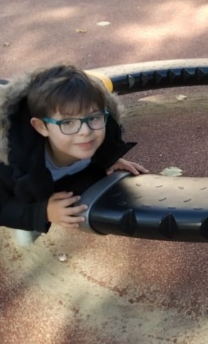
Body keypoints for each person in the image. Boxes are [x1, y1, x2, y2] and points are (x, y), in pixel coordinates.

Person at [0, 64, 149, 233]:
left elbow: (105, 147)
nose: (86, 132)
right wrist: (42, 213)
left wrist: (109, 159)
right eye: (67, 122)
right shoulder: (14, 161)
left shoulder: (105, 136)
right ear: (41, 127)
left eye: (94, 117)